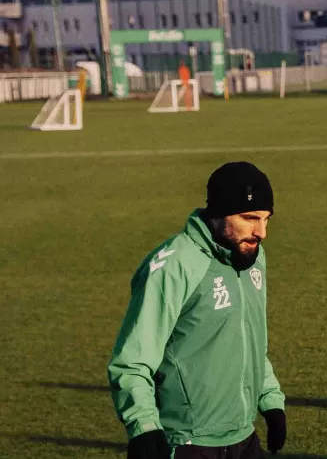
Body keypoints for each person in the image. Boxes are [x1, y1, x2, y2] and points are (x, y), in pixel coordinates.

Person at [108, 162, 288, 459]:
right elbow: (132, 360)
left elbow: (248, 336)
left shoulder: (253, 257)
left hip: (244, 437)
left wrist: (270, 399)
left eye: (266, 219)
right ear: (219, 212)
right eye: (250, 218)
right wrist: (143, 427)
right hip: (190, 443)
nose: (262, 232)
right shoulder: (174, 266)